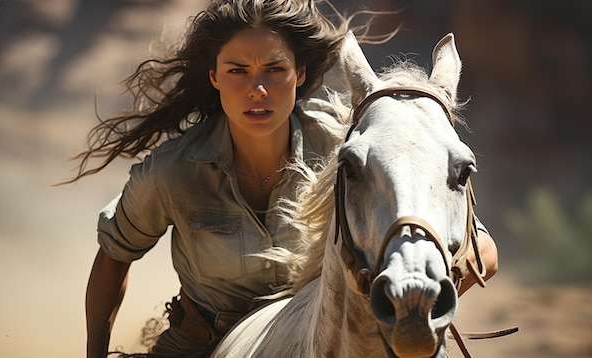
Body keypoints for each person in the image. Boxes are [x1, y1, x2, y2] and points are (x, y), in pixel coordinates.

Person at [66, 1, 498, 357]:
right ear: (214, 77)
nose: (258, 89)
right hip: (201, 344)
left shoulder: (350, 147)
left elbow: (478, 247)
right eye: (238, 71)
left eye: (275, 69)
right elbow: (113, 257)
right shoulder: (171, 171)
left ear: (300, 74)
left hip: (328, 331)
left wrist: (415, 295)